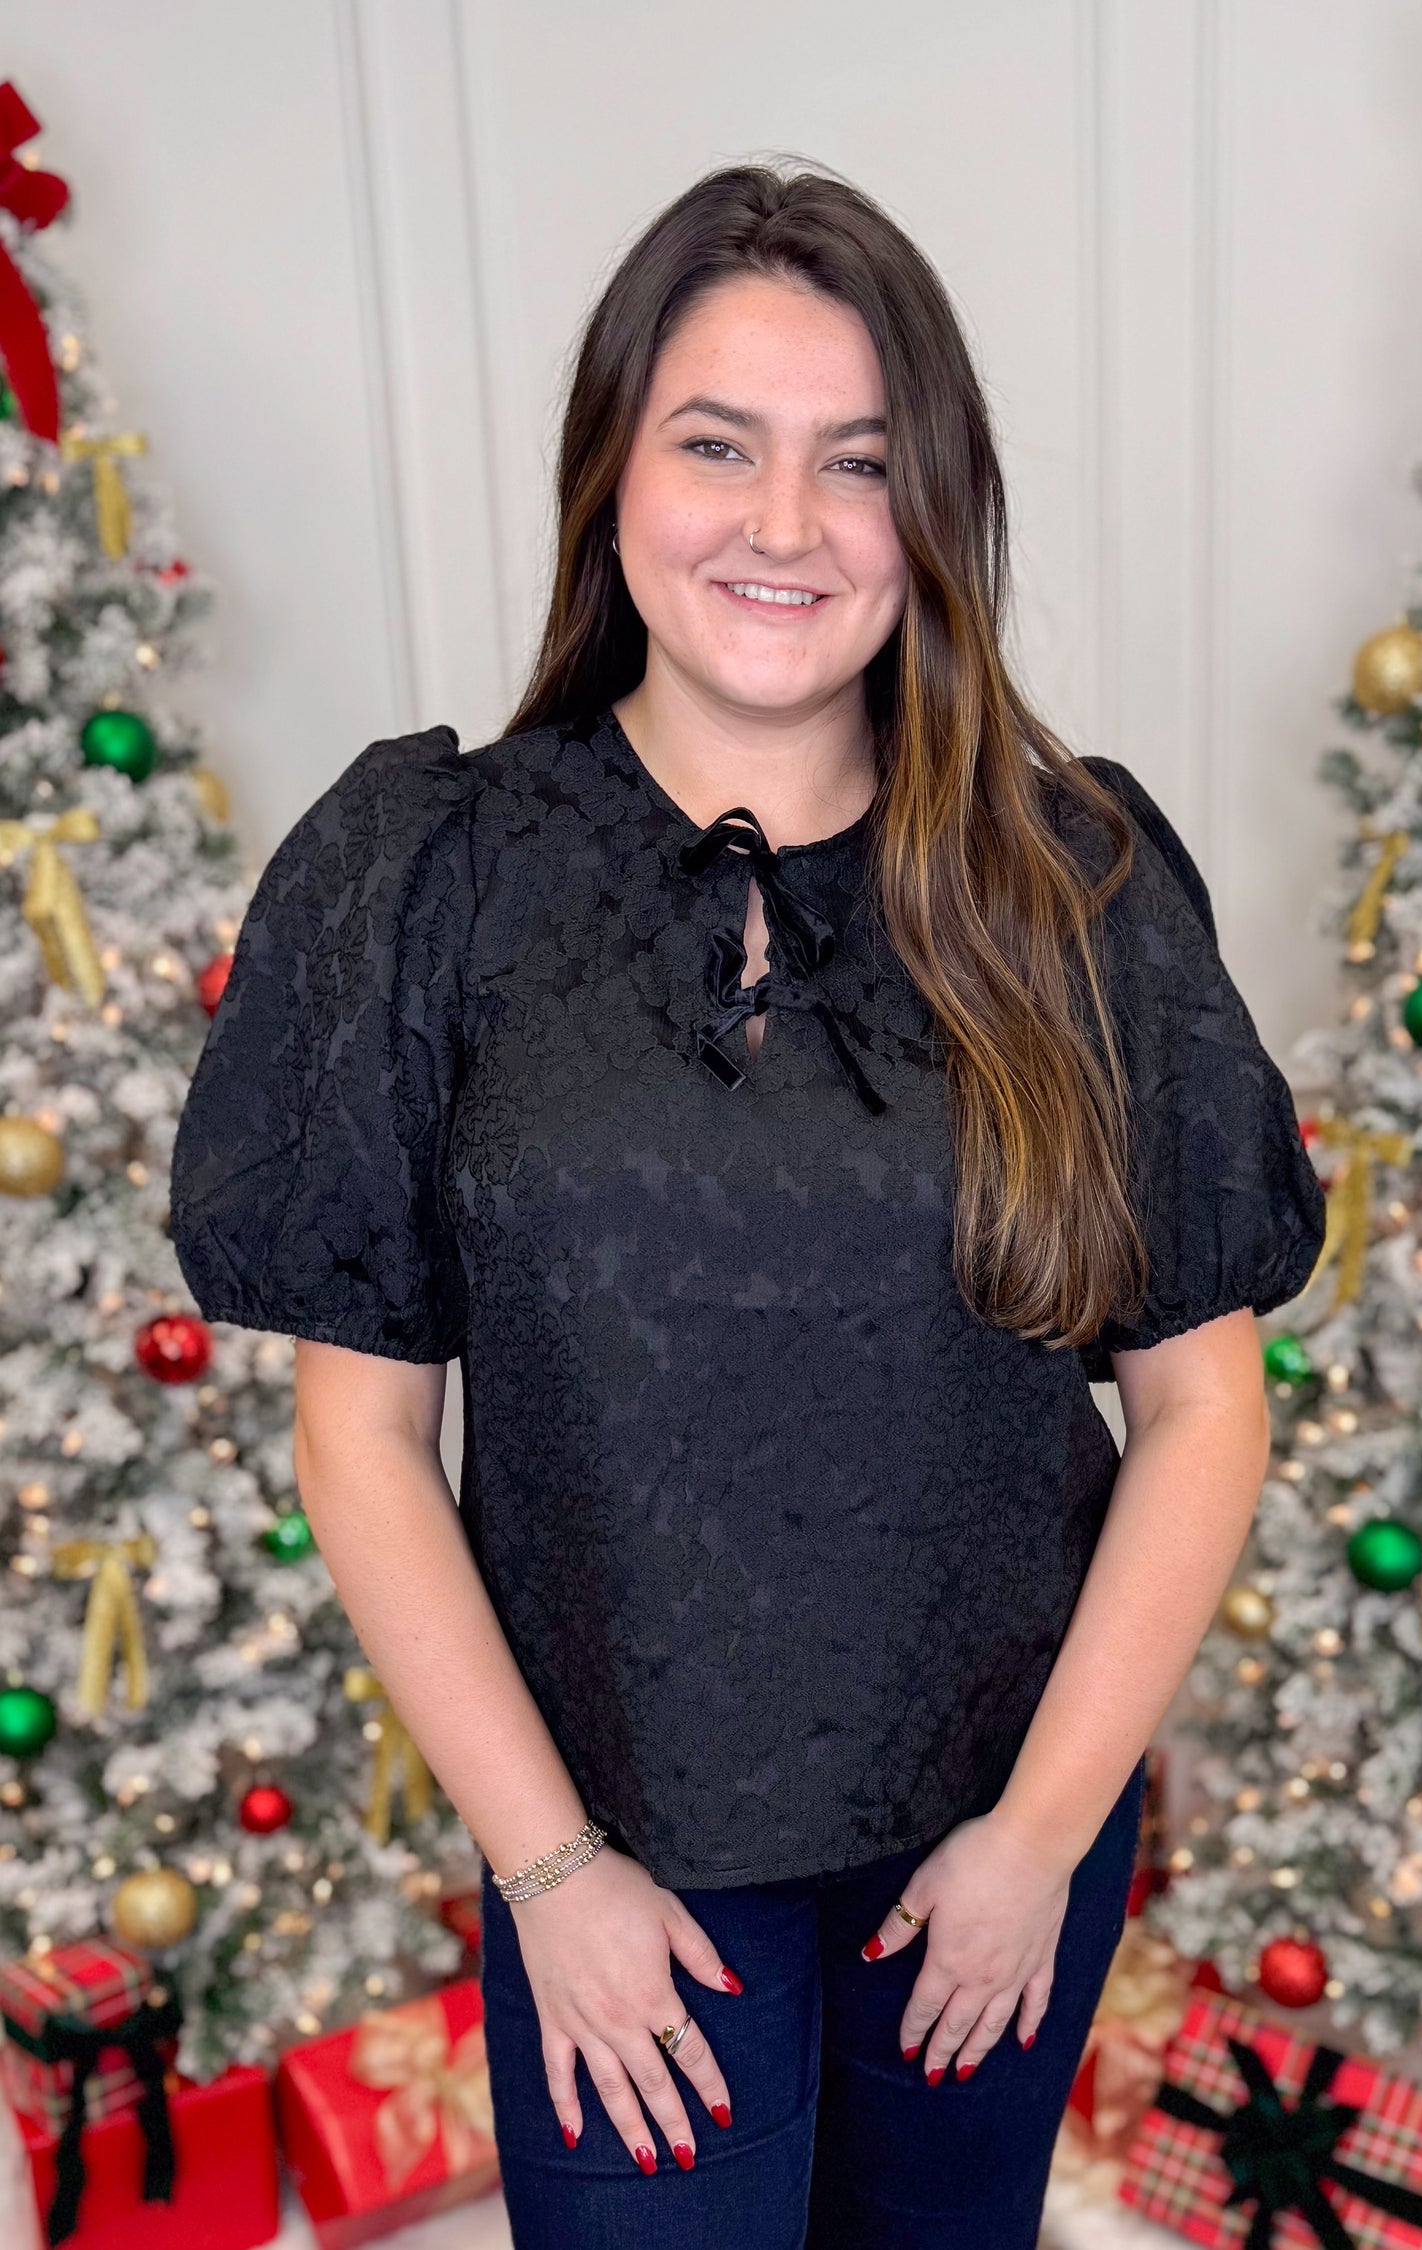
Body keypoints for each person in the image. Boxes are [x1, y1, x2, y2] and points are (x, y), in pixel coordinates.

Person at [168, 160, 1327, 2249]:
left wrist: (1040, 1844)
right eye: (719, 446)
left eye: (857, 466)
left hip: (993, 1848)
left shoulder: (1072, 888)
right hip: (617, 1869)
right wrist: (549, 1881)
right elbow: (360, 1442)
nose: (783, 527)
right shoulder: (436, 876)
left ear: (933, 513)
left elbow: (1205, 1409)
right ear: (615, 470)